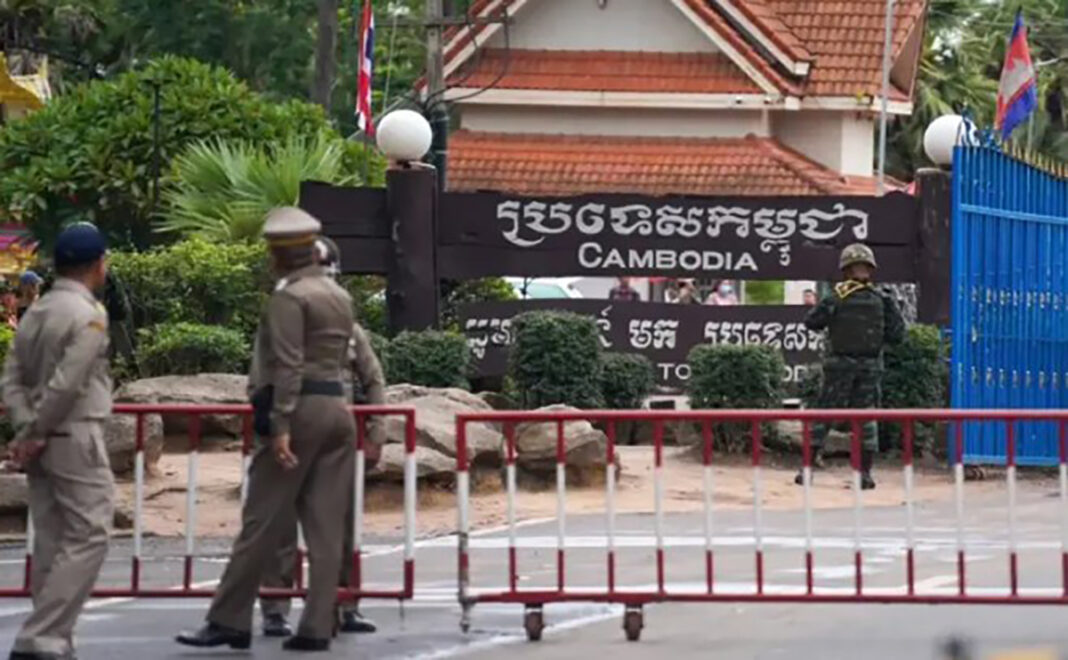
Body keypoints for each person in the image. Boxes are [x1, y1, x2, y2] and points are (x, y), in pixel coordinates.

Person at [176, 207, 357, 652]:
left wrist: (279, 425)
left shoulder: (289, 298)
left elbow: (289, 366)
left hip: (301, 411)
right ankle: (318, 624)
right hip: (339, 407)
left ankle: (228, 619)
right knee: (326, 524)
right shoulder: (337, 296)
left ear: (279, 254)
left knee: (260, 520)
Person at [258, 236, 386, 638]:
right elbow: (261, 379)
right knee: (279, 524)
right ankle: (275, 607)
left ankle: (344, 604)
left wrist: (377, 433)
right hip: (288, 434)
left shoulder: (348, 329)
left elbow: (373, 379)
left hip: (332, 437)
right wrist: (268, 429)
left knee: (339, 524)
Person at [2, 224, 113, 660]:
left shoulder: (39, 310)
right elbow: (68, 383)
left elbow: (11, 379)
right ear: (97, 264)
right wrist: (37, 431)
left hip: (43, 436)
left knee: (50, 534)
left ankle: (54, 638)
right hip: (74, 432)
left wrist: (26, 427)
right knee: (91, 531)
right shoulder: (88, 314)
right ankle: (43, 634)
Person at [795, 244, 905, 490]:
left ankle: (807, 469)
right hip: (869, 366)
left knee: (823, 416)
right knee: (866, 419)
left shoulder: (836, 298)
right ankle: (864, 475)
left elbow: (811, 322)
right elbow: (897, 335)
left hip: (839, 366)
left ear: (845, 271)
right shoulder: (882, 299)